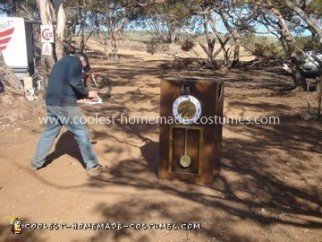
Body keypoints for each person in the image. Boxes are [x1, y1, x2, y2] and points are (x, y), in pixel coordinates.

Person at [31, 52, 105, 177]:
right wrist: (88, 93)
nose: (82, 69)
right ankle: (92, 166)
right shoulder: (76, 61)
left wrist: (82, 96)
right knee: (82, 133)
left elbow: (65, 84)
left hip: (51, 103)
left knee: (49, 133)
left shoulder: (60, 63)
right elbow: (75, 81)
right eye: (83, 67)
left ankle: (36, 163)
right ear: (83, 60)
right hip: (64, 105)